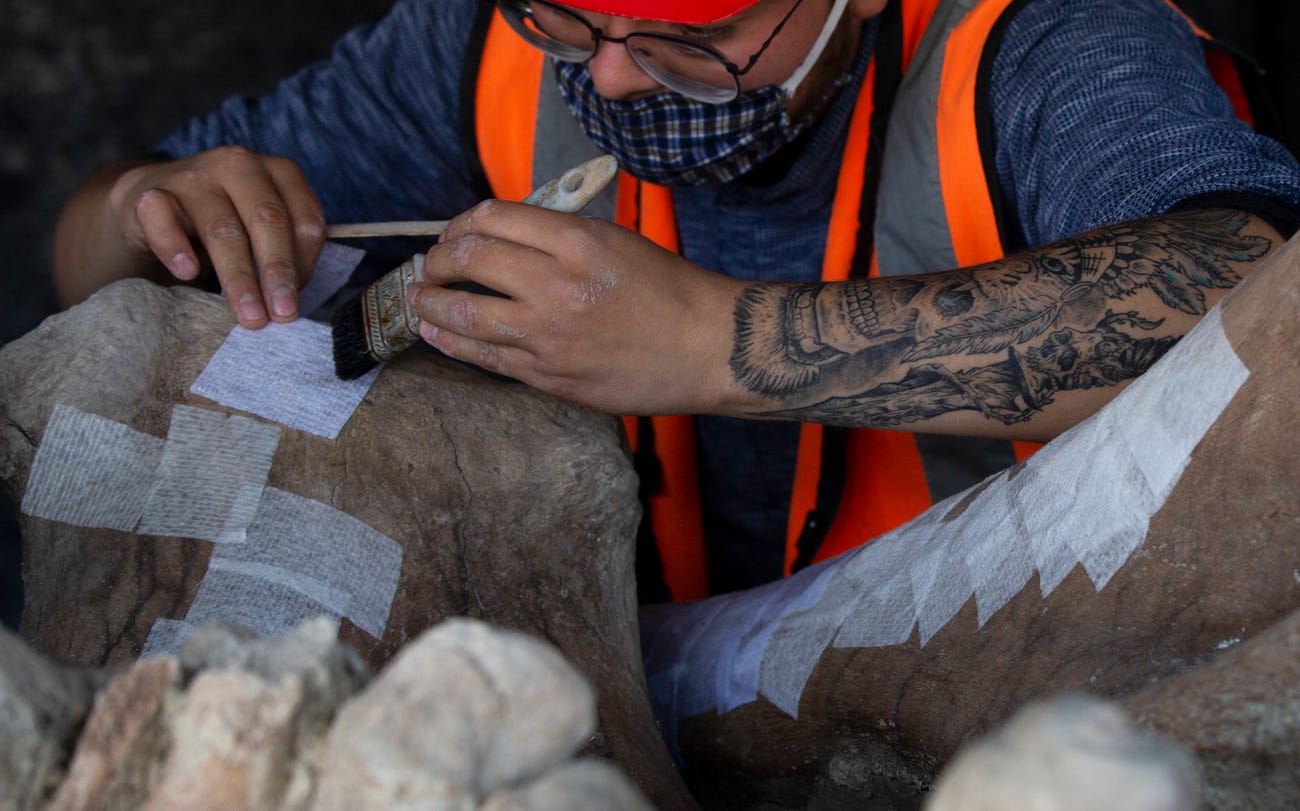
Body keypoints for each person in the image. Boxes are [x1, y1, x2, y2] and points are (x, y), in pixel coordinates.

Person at [51, 0, 1300, 601]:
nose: (607, 76)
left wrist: (719, 343)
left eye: (684, 41)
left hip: (982, 703)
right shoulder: (482, 42)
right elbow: (84, 266)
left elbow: (1254, 289)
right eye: (570, 18)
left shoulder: (1046, 38)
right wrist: (147, 208)